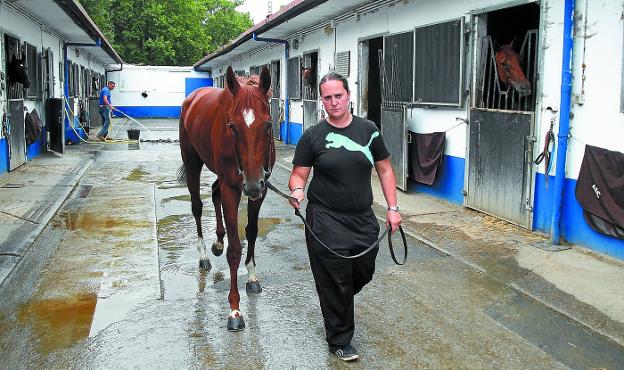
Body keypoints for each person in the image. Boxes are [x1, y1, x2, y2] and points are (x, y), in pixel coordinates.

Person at [288, 72, 401, 362]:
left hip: (362, 218)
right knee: (335, 278)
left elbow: (385, 169)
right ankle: (340, 340)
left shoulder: (369, 130)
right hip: (324, 218)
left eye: (338, 95)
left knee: (362, 270)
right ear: (322, 100)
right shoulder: (312, 136)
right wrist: (298, 190)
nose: (334, 102)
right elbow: (299, 175)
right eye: (327, 97)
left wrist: (392, 207)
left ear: (348, 95)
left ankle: (337, 299)